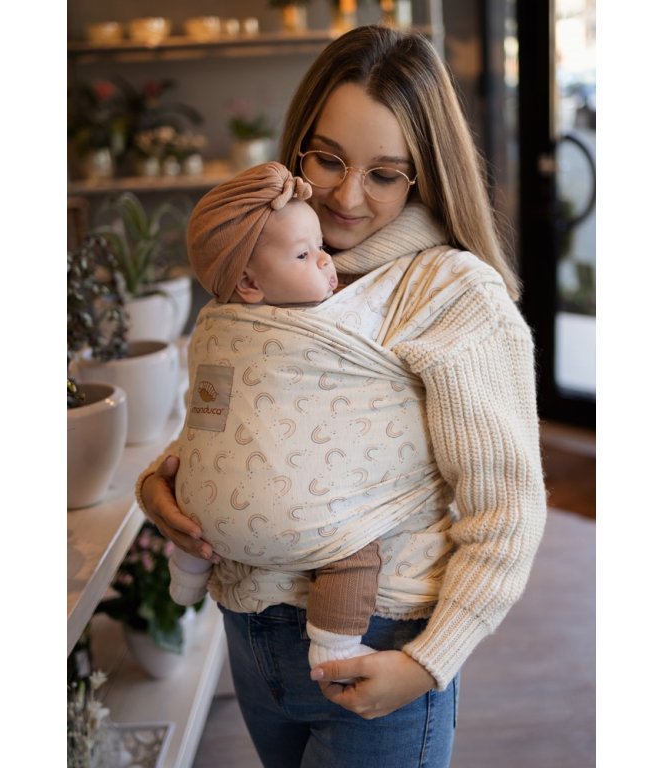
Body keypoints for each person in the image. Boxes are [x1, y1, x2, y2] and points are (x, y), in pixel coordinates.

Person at [136, 25, 547, 768]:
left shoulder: (453, 295)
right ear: (297, 150)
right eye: (327, 159)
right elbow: (250, 425)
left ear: (425, 176)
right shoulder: (262, 270)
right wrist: (164, 485)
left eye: (385, 174)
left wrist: (427, 663)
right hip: (248, 630)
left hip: (379, 642)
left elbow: (507, 506)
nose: (347, 196)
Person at [166, 160, 387, 673]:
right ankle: (333, 645)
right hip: (291, 516)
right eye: (304, 254)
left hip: (199, 517)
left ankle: (187, 573)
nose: (326, 260)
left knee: (198, 472)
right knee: (355, 541)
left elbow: (206, 414)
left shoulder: (211, 325)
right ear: (248, 282)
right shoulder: (329, 322)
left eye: (321, 247)